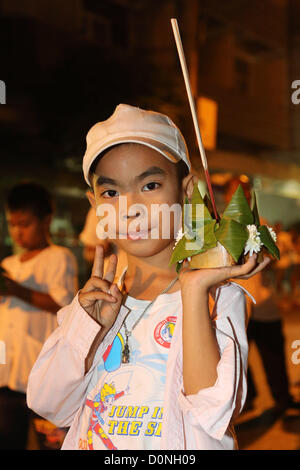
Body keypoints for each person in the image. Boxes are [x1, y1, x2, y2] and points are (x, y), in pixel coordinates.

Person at [27, 104, 270, 450]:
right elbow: (51, 405)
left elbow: (214, 413)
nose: (130, 206)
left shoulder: (218, 296)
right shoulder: (93, 303)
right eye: (110, 192)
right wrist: (87, 332)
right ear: (94, 206)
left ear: (187, 192)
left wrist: (193, 290)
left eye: (150, 185)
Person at [0, 182, 78, 449]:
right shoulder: (8, 265)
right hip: (6, 371)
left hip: (40, 373)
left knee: (50, 444)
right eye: (12, 225)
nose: (17, 232)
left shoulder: (60, 257)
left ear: (46, 221)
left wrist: (17, 290)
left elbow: (64, 304)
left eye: (24, 224)